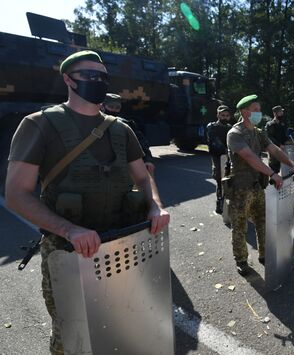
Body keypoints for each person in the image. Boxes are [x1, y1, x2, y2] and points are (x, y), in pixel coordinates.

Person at [4, 50, 170, 355]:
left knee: (122, 322)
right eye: (89, 75)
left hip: (120, 248)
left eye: (102, 77)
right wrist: (69, 231)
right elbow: (16, 193)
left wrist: (155, 205)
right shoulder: (39, 124)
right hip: (69, 253)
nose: (97, 81)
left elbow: (144, 177)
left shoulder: (121, 129)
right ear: (68, 79)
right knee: (72, 336)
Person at [226, 95, 294, 276]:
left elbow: (274, 149)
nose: (259, 113)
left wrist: (291, 164)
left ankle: (264, 254)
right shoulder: (235, 133)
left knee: (263, 221)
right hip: (240, 188)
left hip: (257, 185)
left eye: (259, 109)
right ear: (245, 112)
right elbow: (250, 157)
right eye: (256, 109)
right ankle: (242, 260)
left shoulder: (257, 132)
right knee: (240, 226)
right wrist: (273, 174)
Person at [100, 93, 155, 174]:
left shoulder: (126, 124)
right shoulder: (93, 122)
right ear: (102, 107)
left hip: (120, 168)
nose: (114, 110)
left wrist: (147, 160)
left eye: (117, 108)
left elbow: (141, 142)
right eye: (111, 107)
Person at [206, 105, 232, 214]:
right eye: (222, 115)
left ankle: (229, 203)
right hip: (217, 156)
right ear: (218, 115)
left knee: (230, 179)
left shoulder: (230, 127)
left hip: (229, 156)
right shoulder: (212, 126)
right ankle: (219, 202)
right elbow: (214, 141)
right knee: (219, 178)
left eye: (226, 115)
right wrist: (225, 150)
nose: (224, 117)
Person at [265, 105, 292, 174]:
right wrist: (279, 144)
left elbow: (285, 135)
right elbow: (270, 137)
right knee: (274, 168)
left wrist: (289, 141)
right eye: (280, 112)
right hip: (274, 148)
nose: (282, 113)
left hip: (282, 148)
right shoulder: (270, 124)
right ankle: (273, 182)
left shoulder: (283, 123)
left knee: (283, 167)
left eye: (282, 112)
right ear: (275, 113)